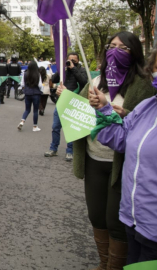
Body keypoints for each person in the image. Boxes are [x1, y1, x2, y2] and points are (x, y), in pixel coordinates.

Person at [71, 31, 157, 269]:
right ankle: (104, 262)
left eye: (123, 48)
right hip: (94, 157)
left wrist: (124, 114)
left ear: (135, 53)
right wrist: (65, 97)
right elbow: (76, 108)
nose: (115, 50)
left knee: (116, 221)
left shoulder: (144, 84)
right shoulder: (96, 80)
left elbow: (143, 123)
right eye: (112, 46)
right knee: (97, 216)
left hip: (123, 164)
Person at [44, 52, 88, 161]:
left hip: (73, 103)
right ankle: (53, 149)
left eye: (74, 60)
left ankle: (70, 151)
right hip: (61, 102)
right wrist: (61, 68)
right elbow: (53, 79)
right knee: (55, 127)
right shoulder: (64, 71)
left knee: (70, 129)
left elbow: (84, 82)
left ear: (78, 61)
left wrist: (73, 68)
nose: (71, 62)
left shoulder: (81, 70)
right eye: (69, 60)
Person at [17, 61, 42, 132]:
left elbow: (22, 84)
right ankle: (35, 126)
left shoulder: (25, 74)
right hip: (36, 94)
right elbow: (40, 85)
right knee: (35, 111)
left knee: (27, 109)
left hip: (27, 93)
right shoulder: (38, 74)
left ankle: (22, 121)